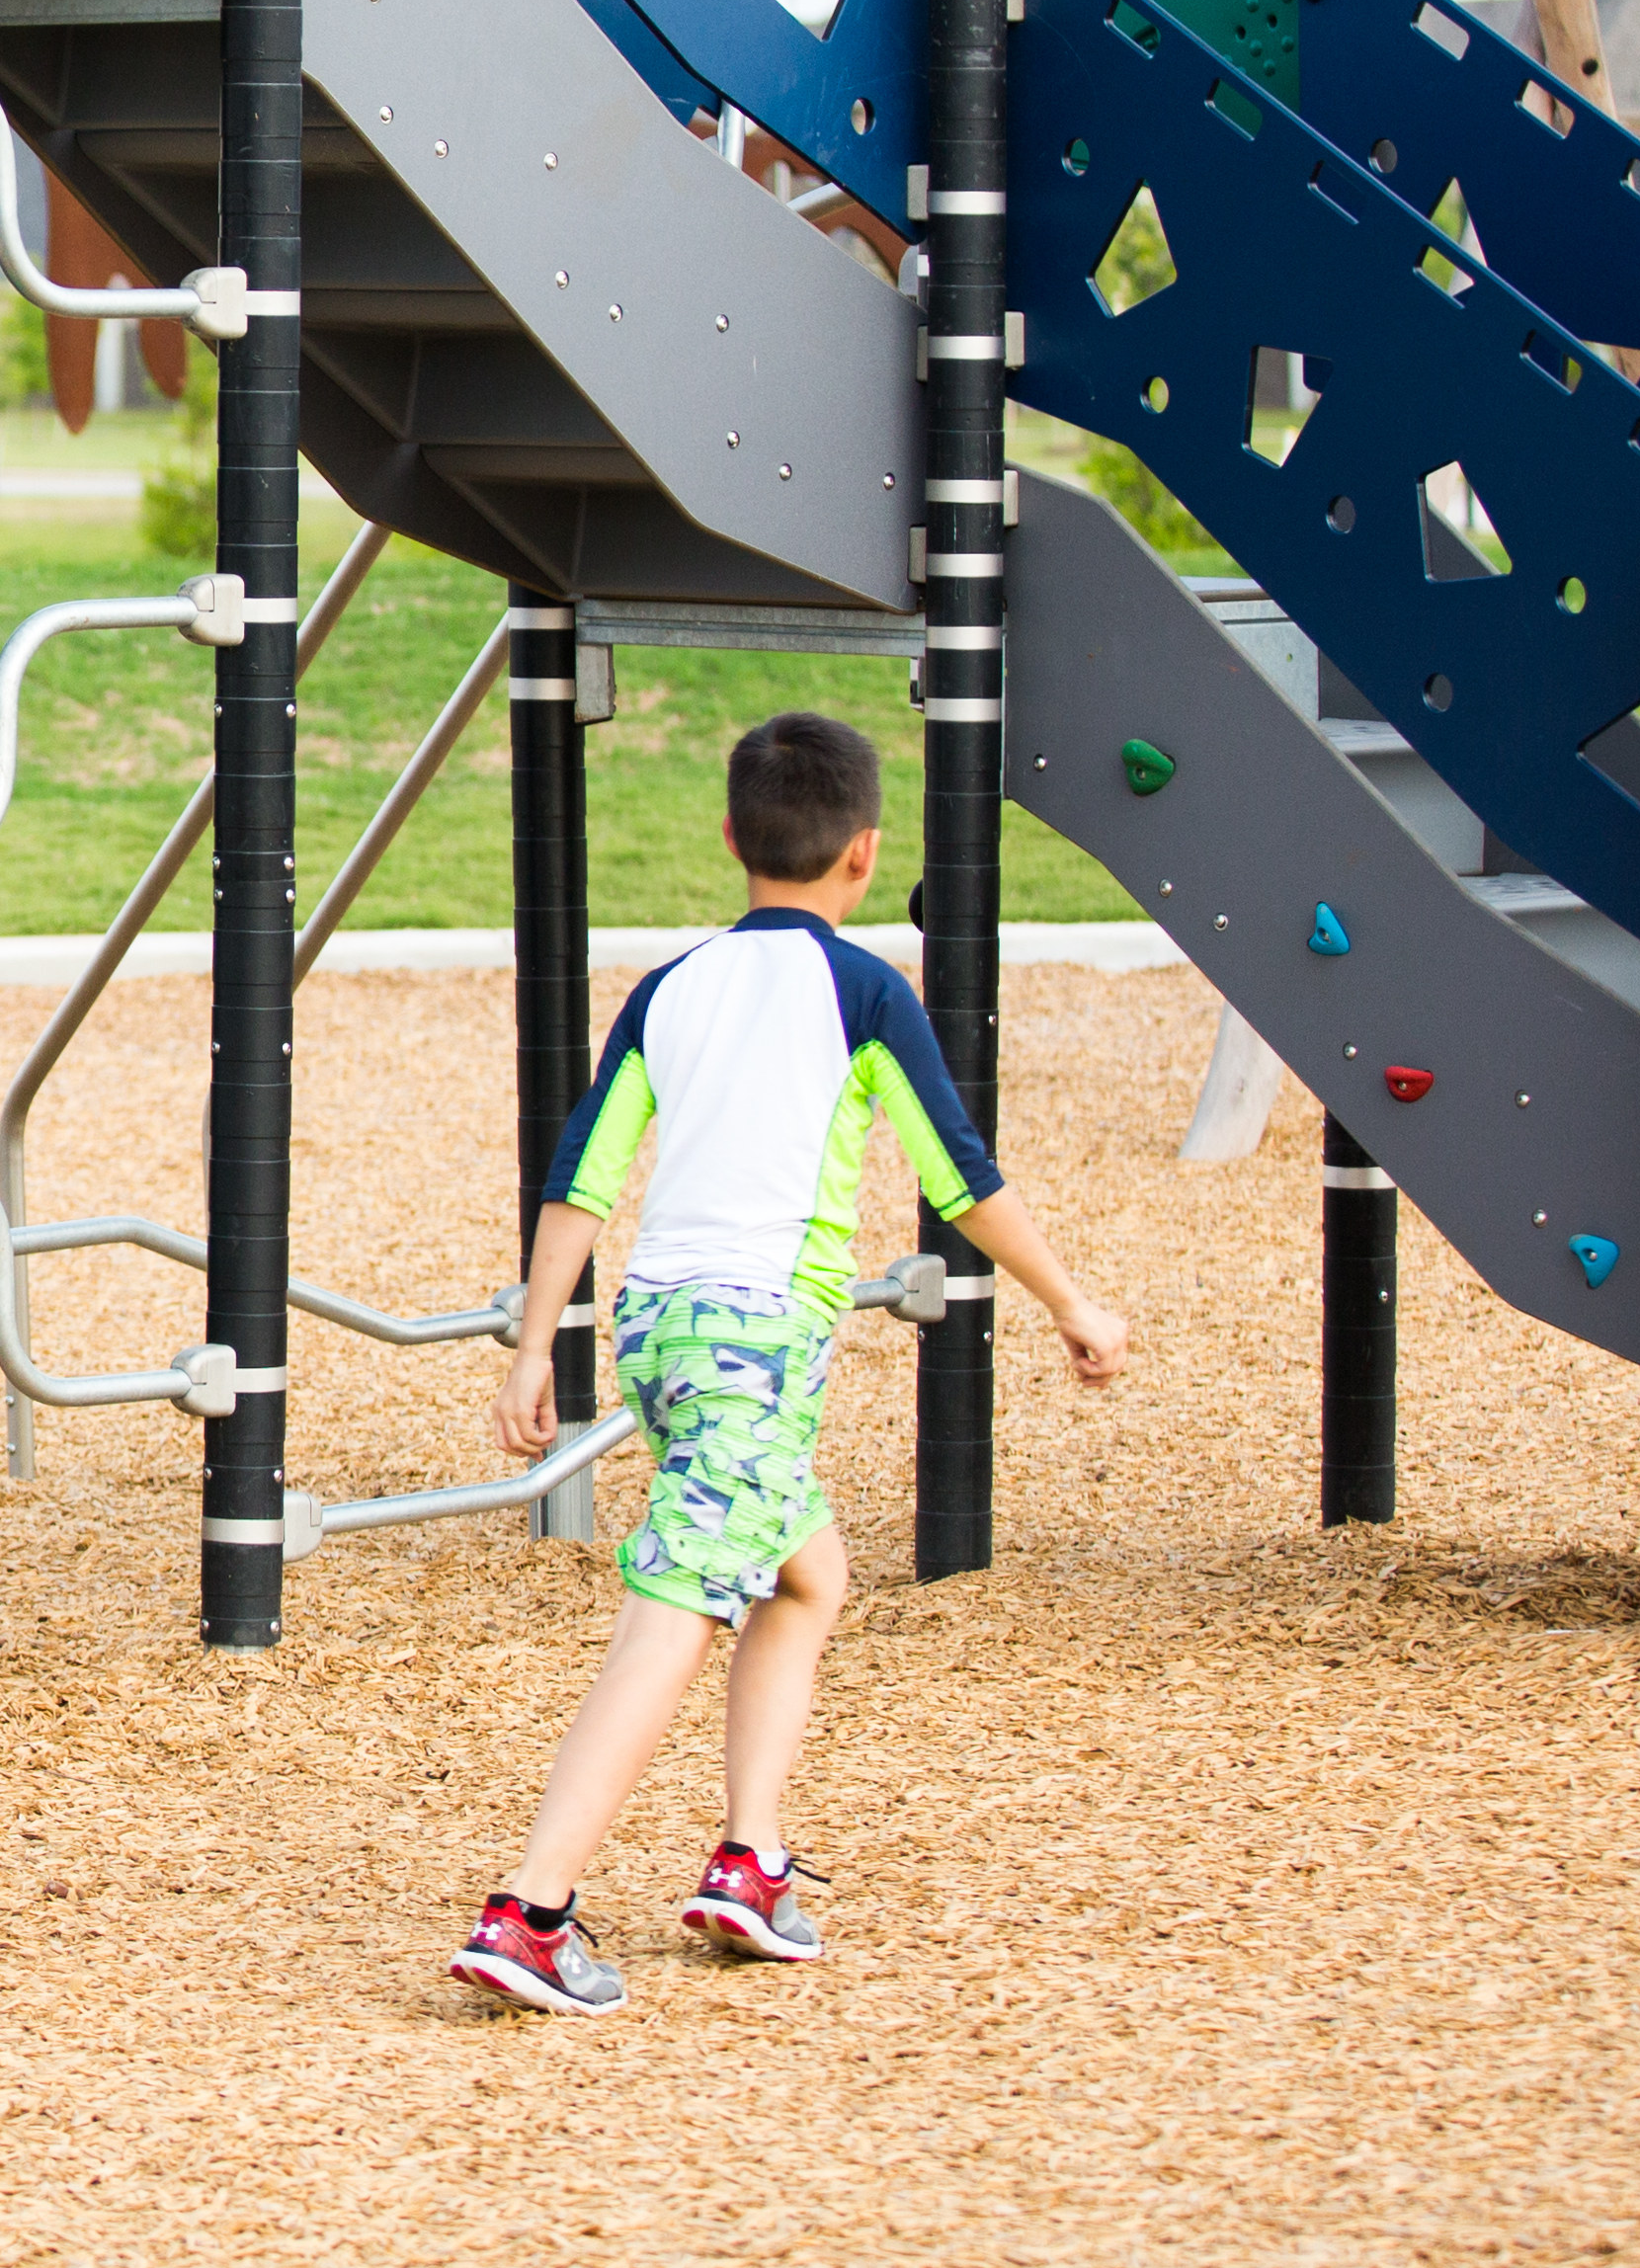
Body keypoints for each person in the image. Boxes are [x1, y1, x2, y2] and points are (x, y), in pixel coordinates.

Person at [450, 710, 1131, 2017]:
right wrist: (1074, 1304)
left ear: (728, 838)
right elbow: (959, 1179)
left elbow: (583, 1175)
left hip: (663, 1331)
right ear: (864, 855)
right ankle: (530, 1911)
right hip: (759, 1342)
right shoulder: (866, 992)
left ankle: (749, 1861)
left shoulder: (671, 986)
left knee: (809, 1574)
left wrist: (537, 1344)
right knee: (678, 1610)